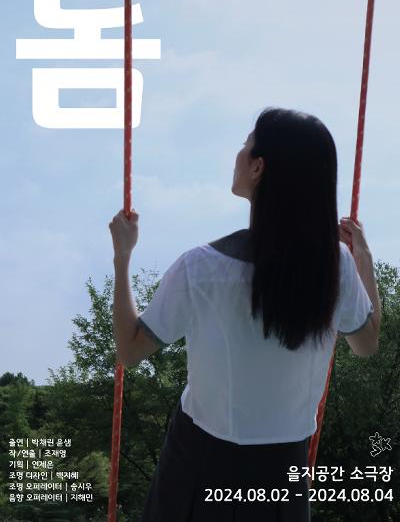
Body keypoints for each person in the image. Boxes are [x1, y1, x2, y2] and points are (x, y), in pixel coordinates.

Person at [109, 107, 381, 522]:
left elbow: (129, 351)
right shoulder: (335, 266)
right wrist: (364, 260)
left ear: (258, 167)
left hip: (198, 465)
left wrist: (122, 257)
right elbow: (367, 343)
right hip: (283, 474)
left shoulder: (202, 268)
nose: (238, 153)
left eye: (245, 145)